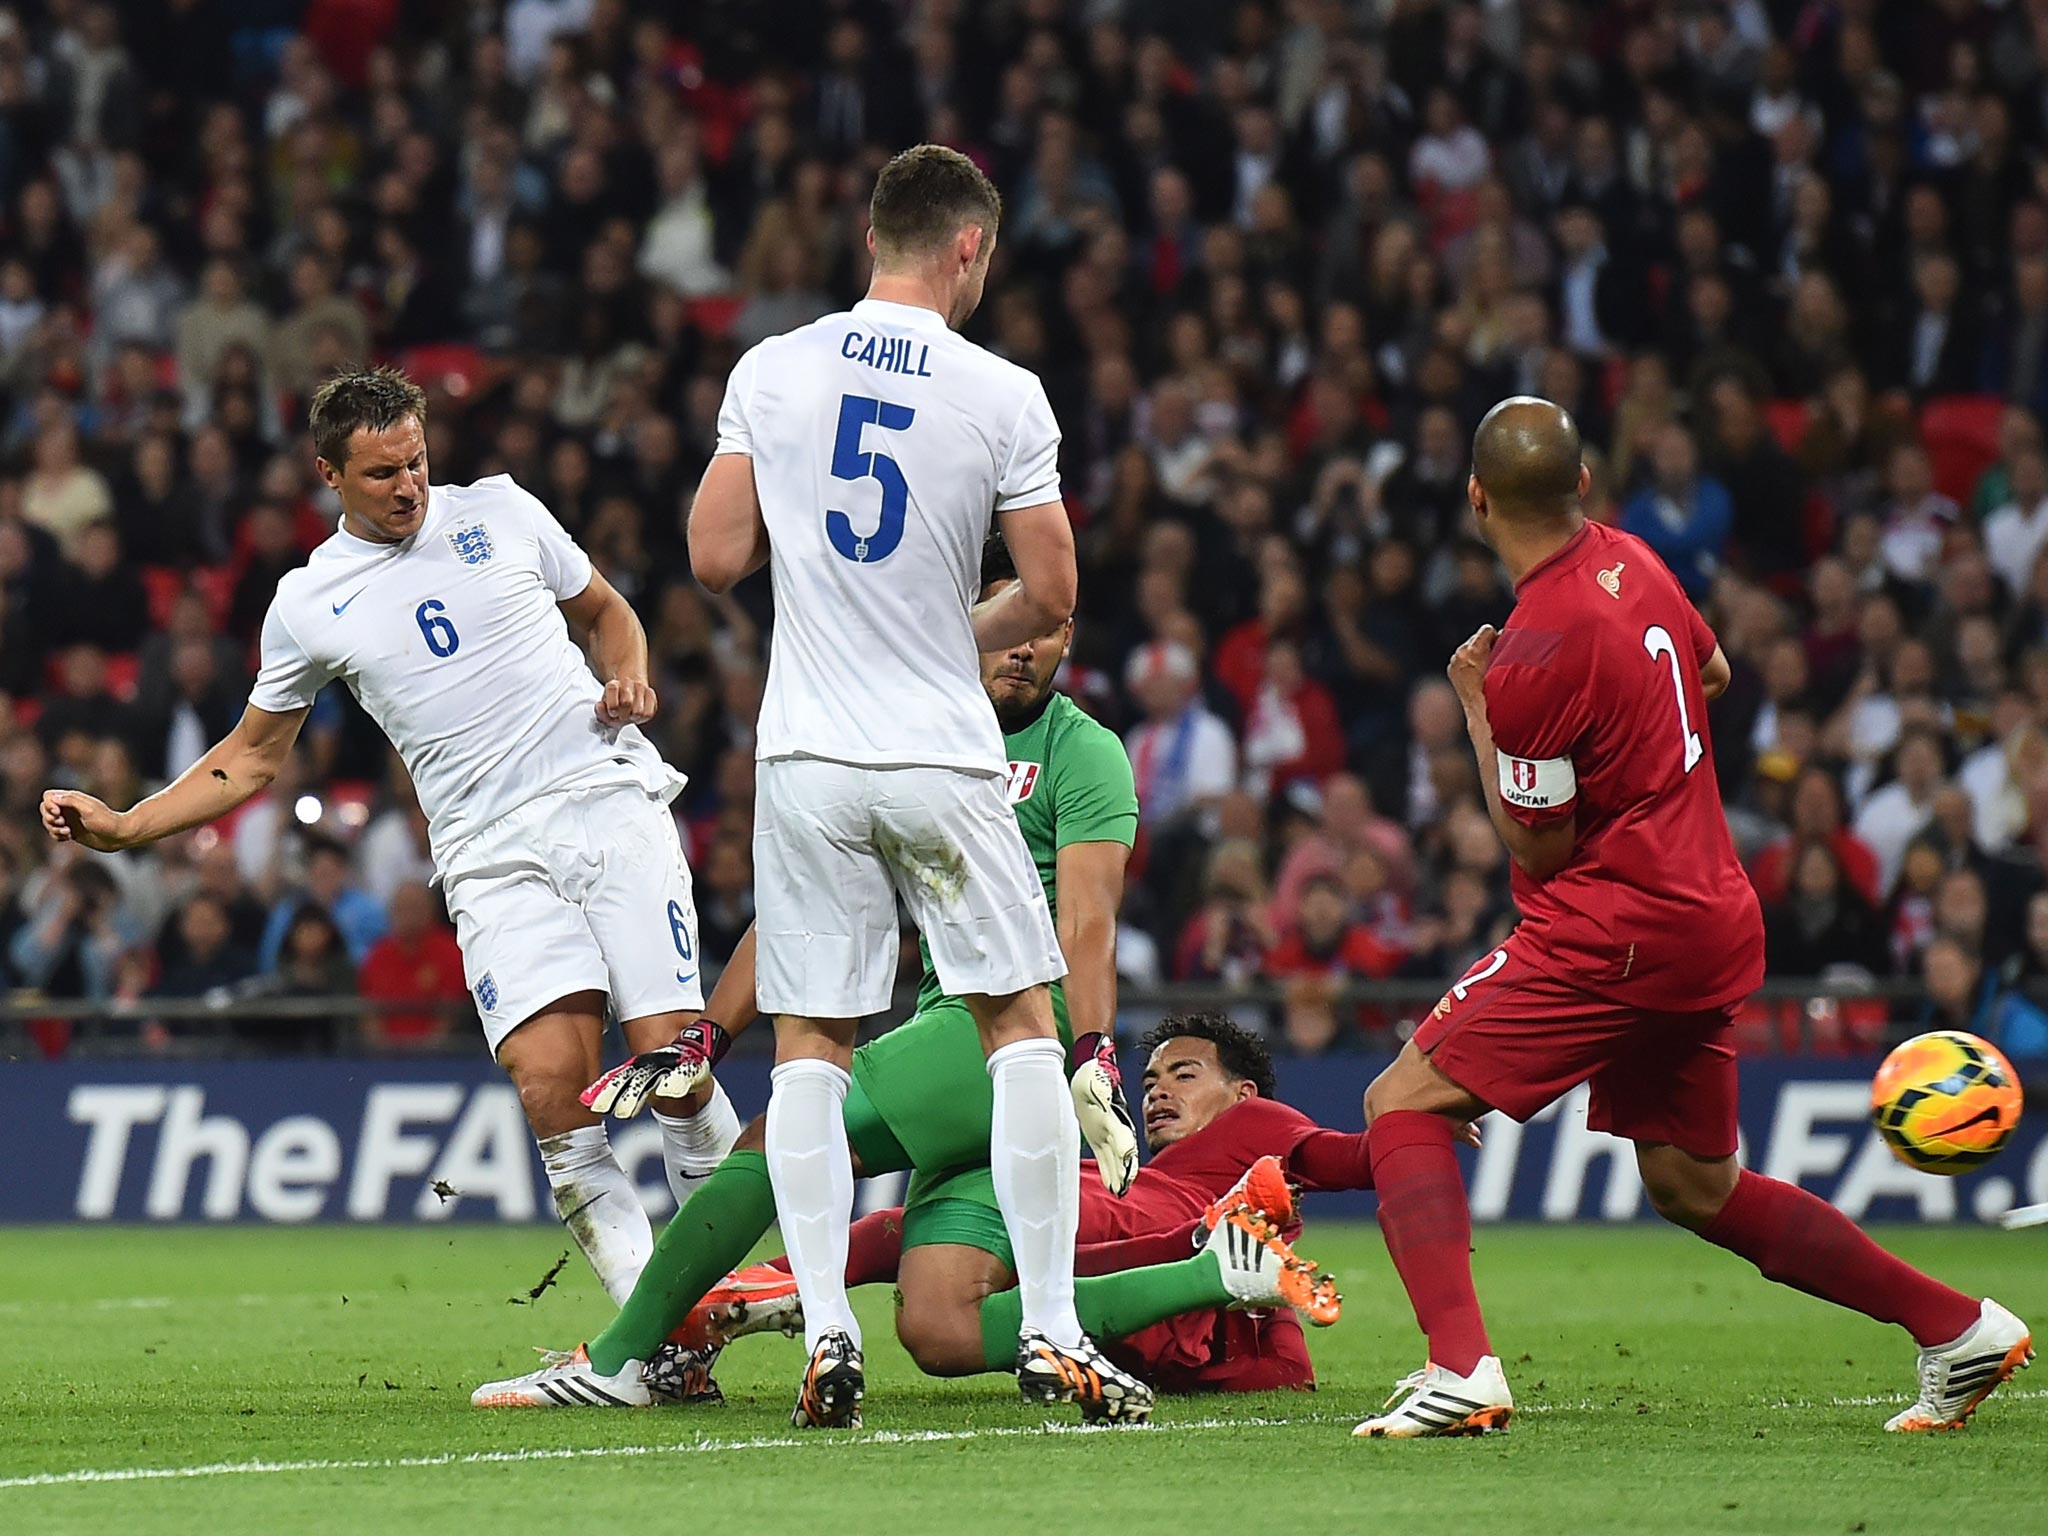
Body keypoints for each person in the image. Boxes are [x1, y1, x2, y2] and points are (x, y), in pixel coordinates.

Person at [1353, 396, 2031, 1439]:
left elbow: (1534, 845)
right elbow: (1708, 672)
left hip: (1611, 928)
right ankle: (1954, 1327)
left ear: (1476, 498)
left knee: (1401, 1100)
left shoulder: (1526, 656)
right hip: (1708, 910)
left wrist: (1478, 709)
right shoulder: (1633, 559)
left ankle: (1460, 1367)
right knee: (1690, 1183)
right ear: (1581, 485)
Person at [38, 367, 739, 1306]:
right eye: (381, 475)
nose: (409, 486)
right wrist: (127, 827)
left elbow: (607, 614)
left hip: (600, 795)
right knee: (548, 1092)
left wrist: (631, 677)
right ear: (329, 473)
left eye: (415, 461)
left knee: (670, 1065)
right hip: (484, 850)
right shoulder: (307, 602)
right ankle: (663, 1334)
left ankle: (737, 1285)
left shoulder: (502, 508)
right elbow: (250, 759)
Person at [474, 540, 1151, 1420]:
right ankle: (1215, 1273)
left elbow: (1087, 924)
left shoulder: (1082, 753)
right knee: (940, 1324)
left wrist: (1091, 1048)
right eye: (1010, 623)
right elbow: (807, 906)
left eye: (1049, 629)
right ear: (963, 619)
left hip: (1017, 1028)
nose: (1026, 647)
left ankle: (622, 1359)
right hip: (966, 1037)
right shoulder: (906, 737)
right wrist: (707, 1034)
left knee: (773, 1147)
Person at [681, 144, 1134, 1428]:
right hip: (939, 748)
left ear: (871, 235)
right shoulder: (1002, 392)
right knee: (1020, 1029)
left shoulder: (769, 369)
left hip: (806, 753)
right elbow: (1051, 593)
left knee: (811, 1047)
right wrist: (952, 627)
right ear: (969, 249)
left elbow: (715, 555)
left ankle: (827, 1333)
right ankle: (1048, 1329)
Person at [682, 1013, 1363, 1395]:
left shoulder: (1256, 1122)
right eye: (1151, 1078)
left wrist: (1409, 1126)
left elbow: (1346, 1160)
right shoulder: (1163, 1175)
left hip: (1130, 1216)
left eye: (1185, 1075)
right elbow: (1287, 1373)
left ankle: (722, 1299)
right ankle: (1205, 1257)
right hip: (1141, 1232)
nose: (1158, 1091)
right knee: (928, 1276)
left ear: (1243, 1094)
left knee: (906, 1230)